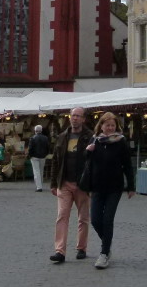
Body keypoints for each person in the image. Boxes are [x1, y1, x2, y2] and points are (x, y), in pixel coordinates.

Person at [83, 112, 135, 270]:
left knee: (108, 220)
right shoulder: (95, 140)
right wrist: (88, 151)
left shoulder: (121, 142)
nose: (110, 128)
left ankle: (104, 253)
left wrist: (131, 186)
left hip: (114, 187)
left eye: (113, 125)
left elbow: (127, 164)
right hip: (97, 186)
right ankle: (107, 241)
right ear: (101, 126)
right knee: (95, 220)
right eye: (107, 125)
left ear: (116, 127)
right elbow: (86, 162)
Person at [49, 108, 91, 263]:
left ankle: (81, 248)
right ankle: (60, 251)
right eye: (73, 115)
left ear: (83, 119)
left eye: (78, 116)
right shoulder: (62, 137)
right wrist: (54, 183)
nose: (75, 118)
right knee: (62, 217)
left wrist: (92, 183)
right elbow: (55, 160)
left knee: (83, 218)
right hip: (64, 182)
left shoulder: (90, 137)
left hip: (82, 184)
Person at [27, 125, 50, 192]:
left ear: (35, 131)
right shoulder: (45, 138)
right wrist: (45, 154)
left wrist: (30, 155)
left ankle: (39, 187)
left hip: (34, 157)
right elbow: (48, 148)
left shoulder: (32, 138)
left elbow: (30, 148)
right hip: (43, 156)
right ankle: (41, 184)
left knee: (36, 171)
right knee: (41, 170)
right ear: (41, 130)